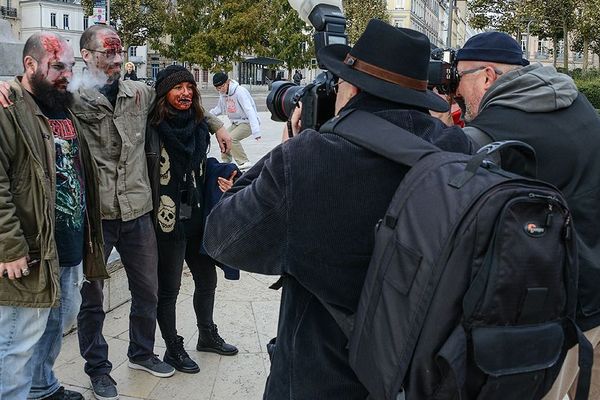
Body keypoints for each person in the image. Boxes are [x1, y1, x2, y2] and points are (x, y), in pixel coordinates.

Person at [203, 19, 472, 399]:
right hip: (422, 376)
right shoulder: (458, 149)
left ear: (355, 87)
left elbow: (222, 237)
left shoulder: (311, 159)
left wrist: (294, 146)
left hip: (321, 379)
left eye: (340, 81)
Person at [450, 31, 600, 400]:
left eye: (459, 79)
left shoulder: (494, 133)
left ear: (487, 76)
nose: (455, 92)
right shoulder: (576, 102)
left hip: (557, 320)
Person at [0, 32, 106, 400]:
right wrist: (9, 245)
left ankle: (43, 387)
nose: (66, 74)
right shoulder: (8, 106)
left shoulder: (64, 104)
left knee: (56, 324)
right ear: (29, 65)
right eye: (58, 66)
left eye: (71, 67)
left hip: (69, 244)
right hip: (29, 251)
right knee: (16, 341)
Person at [145, 65, 238, 375]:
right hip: (166, 220)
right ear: (164, 92)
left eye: (189, 87)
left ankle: (207, 335)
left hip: (196, 214)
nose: (185, 92)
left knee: (207, 280)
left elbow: (200, 166)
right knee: (169, 289)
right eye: (177, 87)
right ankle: (172, 347)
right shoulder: (152, 126)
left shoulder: (199, 125)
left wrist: (223, 173)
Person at [210, 72, 260, 171]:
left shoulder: (240, 91)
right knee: (224, 137)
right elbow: (219, 109)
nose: (220, 90)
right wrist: (205, 116)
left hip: (247, 122)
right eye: (217, 88)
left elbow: (249, 110)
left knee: (231, 139)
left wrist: (256, 131)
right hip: (236, 123)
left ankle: (244, 162)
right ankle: (226, 162)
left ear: (228, 82)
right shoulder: (222, 94)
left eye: (221, 87)